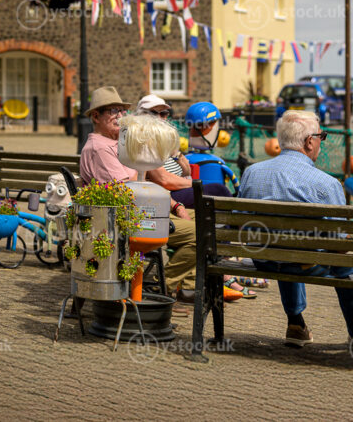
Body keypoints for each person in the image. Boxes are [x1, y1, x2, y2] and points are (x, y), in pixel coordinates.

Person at [240, 110, 353, 348]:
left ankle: (296, 324)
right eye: (322, 136)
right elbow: (340, 244)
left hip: (264, 259)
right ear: (309, 142)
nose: (321, 141)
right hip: (305, 263)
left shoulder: (251, 173)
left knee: (286, 248)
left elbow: (241, 222)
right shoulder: (326, 184)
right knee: (344, 263)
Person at [78, 87, 237, 305]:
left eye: (121, 111)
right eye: (112, 111)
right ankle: (164, 289)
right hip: (131, 219)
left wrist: (176, 205)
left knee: (207, 218)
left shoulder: (116, 144)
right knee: (203, 231)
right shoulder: (101, 149)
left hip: (142, 211)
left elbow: (142, 186)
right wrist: (171, 203)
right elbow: (129, 191)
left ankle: (185, 286)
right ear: (96, 116)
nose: (120, 116)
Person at [133, 94, 255, 299]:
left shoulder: (161, 139)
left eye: (165, 113)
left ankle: (209, 272)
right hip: (164, 196)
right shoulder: (144, 141)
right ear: (142, 115)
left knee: (213, 206)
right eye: (156, 113)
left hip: (172, 192)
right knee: (219, 191)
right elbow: (163, 180)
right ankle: (221, 265)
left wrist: (177, 154)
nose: (162, 117)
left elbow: (183, 168)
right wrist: (195, 184)